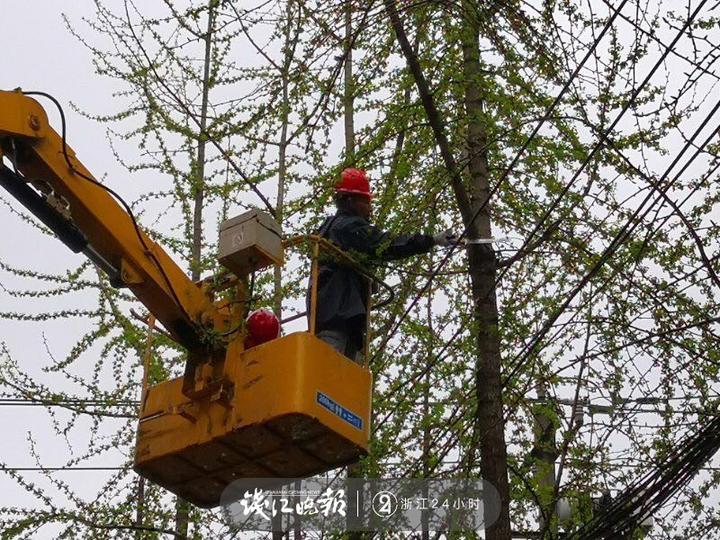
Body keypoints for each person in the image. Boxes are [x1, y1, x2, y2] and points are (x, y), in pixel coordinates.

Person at [309, 167, 458, 363]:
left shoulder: (331, 230)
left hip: (335, 315)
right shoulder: (347, 227)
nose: (369, 208)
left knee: (342, 379)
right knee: (329, 374)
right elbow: (385, 244)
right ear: (350, 200)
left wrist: (364, 276)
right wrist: (431, 240)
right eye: (366, 201)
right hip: (337, 318)